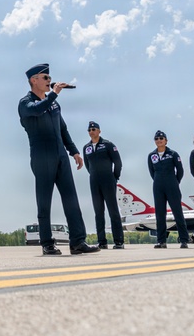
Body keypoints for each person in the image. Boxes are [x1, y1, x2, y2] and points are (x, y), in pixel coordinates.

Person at [18, 63, 98, 256]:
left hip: (60, 154)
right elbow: (37, 110)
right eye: (45, 78)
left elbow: (62, 129)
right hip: (41, 155)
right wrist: (54, 93)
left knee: (71, 199)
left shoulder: (53, 103)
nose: (49, 81)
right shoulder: (25, 103)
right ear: (33, 80)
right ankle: (47, 243)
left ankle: (78, 242)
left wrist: (74, 151)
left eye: (49, 78)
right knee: (44, 201)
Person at [83, 121, 124, 250]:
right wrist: (94, 175)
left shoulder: (108, 145)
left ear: (99, 131)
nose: (91, 132)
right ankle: (102, 241)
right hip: (94, 181)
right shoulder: (86, 148)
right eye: (89, 130)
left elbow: (118, 162)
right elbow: (87, 165)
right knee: (98, 212)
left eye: (94, 129)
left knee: (113, 211)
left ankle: (119, 241)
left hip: (108, 180)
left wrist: (114, 177)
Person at [148, 130, 190, 249]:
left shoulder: (173, 154)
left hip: (172, 184)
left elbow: (180, 170)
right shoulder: (152, 155)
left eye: (161, 138)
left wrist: (175, 182)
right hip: (158, 186)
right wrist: (158, 181)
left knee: (178, 213)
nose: (159, 140)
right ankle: (161, 241)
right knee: (160, 214)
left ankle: (184, 240)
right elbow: (152, 172)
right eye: (156, 139)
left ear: (166, 141)